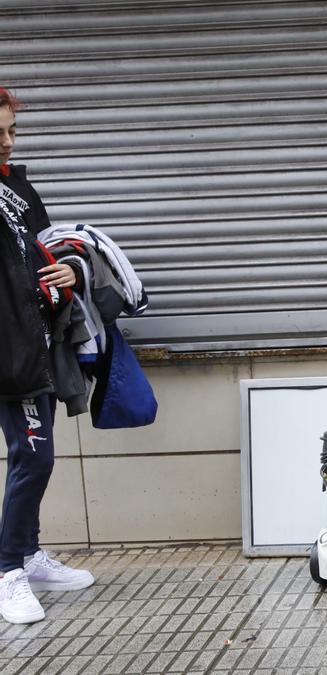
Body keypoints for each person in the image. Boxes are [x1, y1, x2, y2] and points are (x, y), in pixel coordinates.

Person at [0, 87, 96, 625]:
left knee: (37, 455)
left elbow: (50, 247)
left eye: (12, 131)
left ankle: (29, 555)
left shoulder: (16, 186)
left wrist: (71, 270)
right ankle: (7, 570)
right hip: (8, 350)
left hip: (37, 343)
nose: (9, 143)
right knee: (32, 456)